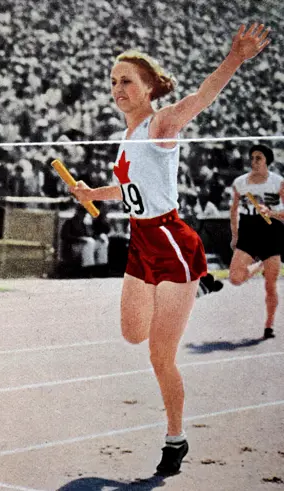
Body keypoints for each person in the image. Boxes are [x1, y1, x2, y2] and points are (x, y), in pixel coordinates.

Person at [69, 23, 271, 476]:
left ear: (148, 87)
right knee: (131, 333)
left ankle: (175, 439)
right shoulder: (127, 136)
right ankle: (193, 290)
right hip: (141, 241)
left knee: (160, 356)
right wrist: (92, 193)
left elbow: (201, 97)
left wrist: (235, 57)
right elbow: (129, 190)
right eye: (114, 81)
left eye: (127, 81)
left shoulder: (160, 124)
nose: (118, 88)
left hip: (173, 243)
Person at [228, 144, 283, 340]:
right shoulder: (240, 183)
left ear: (267, 160)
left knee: (270, 285)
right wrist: (235, 236)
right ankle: (258, 266)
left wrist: (272, 212)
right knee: (235, 277)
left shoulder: (278, 183)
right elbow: (233, 210)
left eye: (258, 158)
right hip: (249, 231)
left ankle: (269, 326)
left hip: (272, 231)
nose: (254, 162)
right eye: (252, 158)